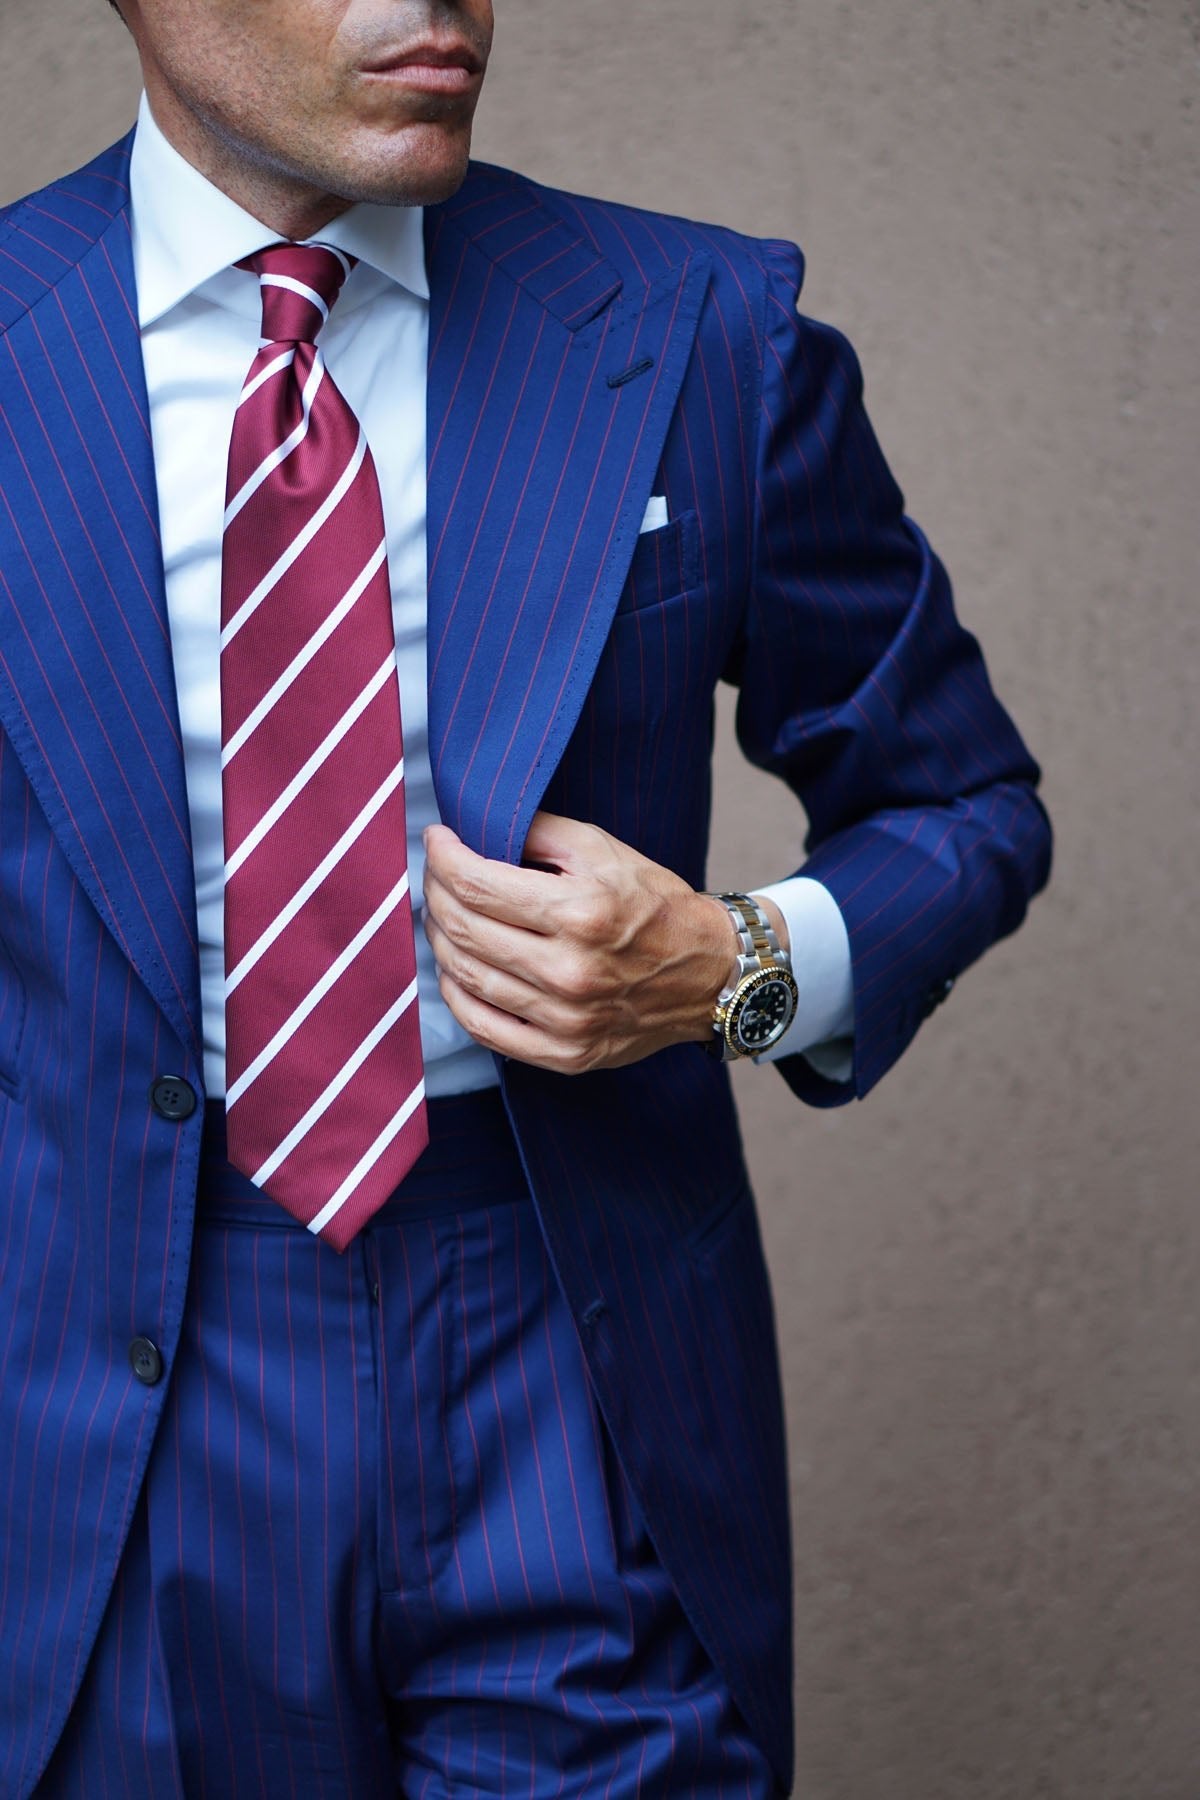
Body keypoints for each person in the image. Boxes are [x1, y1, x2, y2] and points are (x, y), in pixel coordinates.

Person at [0, 1, 1052, 1794]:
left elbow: (964, 799)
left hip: (576, 1369)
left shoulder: (702, 333)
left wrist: (736, 966)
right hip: (107, 1403)